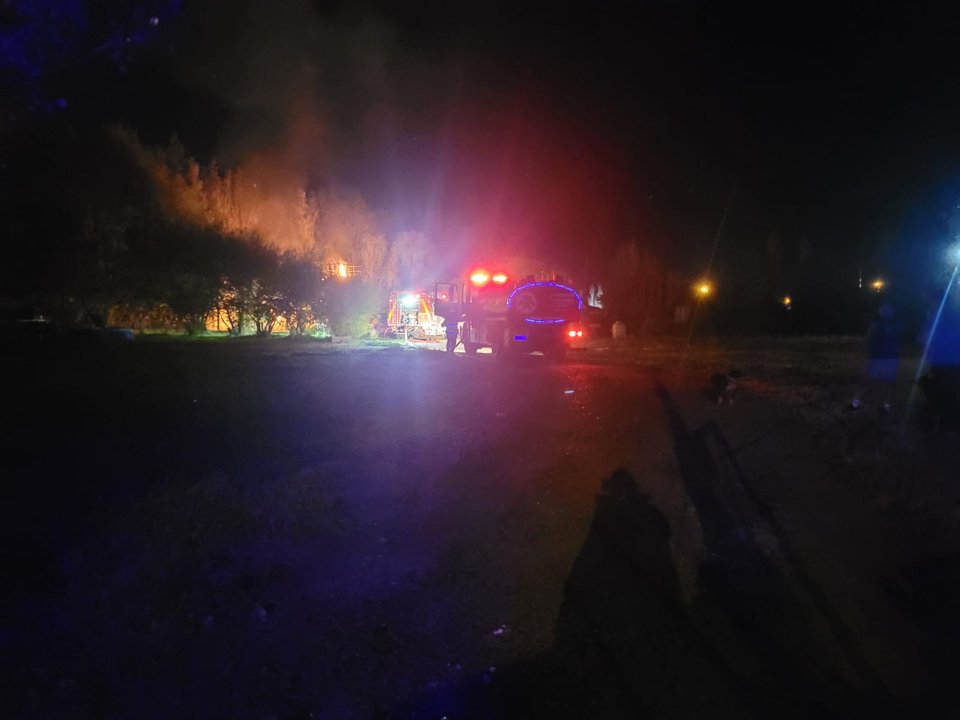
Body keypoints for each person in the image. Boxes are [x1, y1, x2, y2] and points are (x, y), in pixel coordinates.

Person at [851, 302, 900, 414]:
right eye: (883, 309)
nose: (886, 312)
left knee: (888, 383)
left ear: (892, 311)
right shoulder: (876, 324)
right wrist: (863, 350)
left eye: (888, 309)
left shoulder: (896, 324)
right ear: (880, 311)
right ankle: (855, 402)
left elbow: (899, 340)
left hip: (890, 358)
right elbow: (868, 337)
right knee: (867, 380)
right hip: (876, 357)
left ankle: (886, 405)